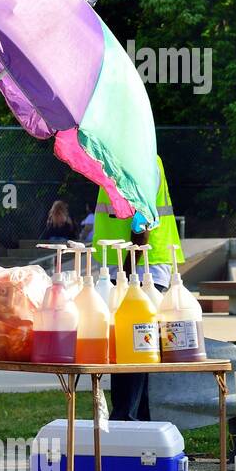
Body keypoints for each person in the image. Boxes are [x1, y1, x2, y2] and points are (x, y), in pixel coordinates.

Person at [92, 155, 183, 421]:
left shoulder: (136, 155)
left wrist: (127, 272)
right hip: (123, 264)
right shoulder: (114, 157)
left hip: (141, 266)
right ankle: (138, 420)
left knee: (134, 344)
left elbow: (142, 225)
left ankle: (125, 418)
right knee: (130, 346)